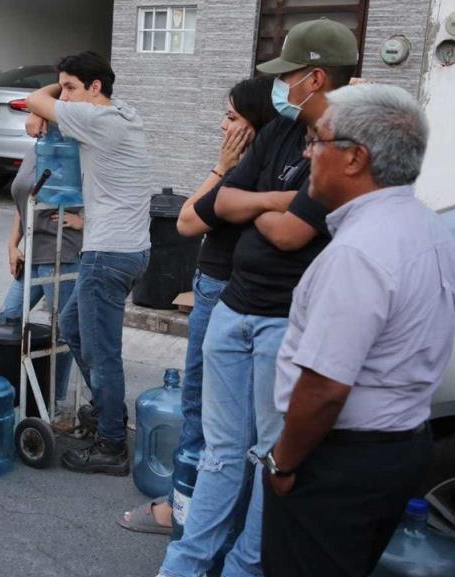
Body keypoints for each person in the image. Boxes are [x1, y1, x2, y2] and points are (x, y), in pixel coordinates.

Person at [156, 18, 358, 577]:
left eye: (286, 75)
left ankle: (246, 568)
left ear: (315, 78)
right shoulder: (278, 133)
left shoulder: (346, 146)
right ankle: (186, 565)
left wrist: (258, 206)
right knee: (222, 456)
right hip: (232, 311)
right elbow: (217, 205)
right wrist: (279, 199)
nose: (280, 86)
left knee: (271, 458)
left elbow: (293, 232)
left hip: (284, 323)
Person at [261, 84, 455, 577]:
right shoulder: (427, 227)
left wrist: (283, 463)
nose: (308, 154)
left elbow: (326, 387)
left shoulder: (359, 252)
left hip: (339, 461)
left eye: (318, 142)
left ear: (355, 159)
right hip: (400, 447)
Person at [119, 76, 275, 535]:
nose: (224, 127)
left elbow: (187, 220)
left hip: (225, 289)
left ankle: (182, 510)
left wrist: (221, 165)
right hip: (228, 288)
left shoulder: (245, 171)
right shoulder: (272, 166)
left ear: (256, 126)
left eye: (232, 118)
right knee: (226, 413)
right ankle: (200, 507)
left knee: (204, 406)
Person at [24, 51, 151, 475]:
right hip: (129, 249)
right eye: (64, 87)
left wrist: (48, 104)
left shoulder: (95, 120)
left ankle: (112, 445)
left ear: (95, 88)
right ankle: (106, 410)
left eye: (72, 87)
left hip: (107, 254)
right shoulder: (124, 114)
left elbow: (34, 101)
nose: (66, 95)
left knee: (104, 353)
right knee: (75, 327)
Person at [0, 146, 83, 407]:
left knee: (63, 330)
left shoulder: (76, 150)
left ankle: (52, 398)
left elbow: (109, 195)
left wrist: (83, 220)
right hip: (32, 253)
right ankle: (13, 391)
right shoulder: (35, 150)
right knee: (8, 317)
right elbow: (23, 204)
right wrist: (13, 245)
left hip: (61, 252)